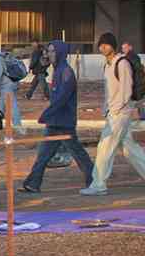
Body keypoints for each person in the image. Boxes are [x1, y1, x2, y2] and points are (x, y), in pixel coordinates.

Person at [20, 40, 94, 194]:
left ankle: (94, 180)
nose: (49, 54)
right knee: (44, 154)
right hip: (55, 122)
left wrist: (46, 114)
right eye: (49, 51)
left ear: (60, 53)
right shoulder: (57, 70)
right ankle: (33, 183)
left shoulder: (66, 72)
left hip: (64, 122)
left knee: (78, 153)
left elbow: (62, 98)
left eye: (53, 51)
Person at [80, 32, 145, 196]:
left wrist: (116, 109)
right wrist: (106, 108)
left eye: (106, 44)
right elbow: (108, 90)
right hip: (113, 112)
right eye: (101, 44)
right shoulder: (107, 65)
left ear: (113, 46)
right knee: (130, 149)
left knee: (105, 147)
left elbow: (126, 89)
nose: (103, 47)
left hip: (120, 113)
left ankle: (98, 184)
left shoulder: (121, 63)